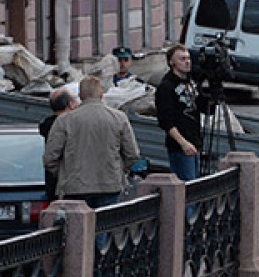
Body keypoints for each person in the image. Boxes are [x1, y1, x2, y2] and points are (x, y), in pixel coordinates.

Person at [43, 75, 141, 209]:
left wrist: (64, 174)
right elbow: (132, 154)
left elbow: (50, 158)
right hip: (109, 185)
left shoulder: (64, 120)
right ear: (101, 95)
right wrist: (118, 171)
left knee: (77, 227)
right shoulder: (119, 118)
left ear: (80, 96)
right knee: (105, 225)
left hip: (75, 187)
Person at [155, 44, 212, 181]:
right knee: (187, 188)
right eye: (182, 59)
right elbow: (165, 121)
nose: (187, 62)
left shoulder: (192, 81)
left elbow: (204, 107)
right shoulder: (167, 86)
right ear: (171, 62)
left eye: (188, 58)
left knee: (197, 186)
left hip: (195, 141)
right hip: (180, 146)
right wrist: (183, 143)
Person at [39, 87, 79, 201]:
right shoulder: (71, 128)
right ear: (70, 104)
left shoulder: (46, 126)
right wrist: (64, 175)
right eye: (76, 100)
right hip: (69, 188)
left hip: (52, 186)